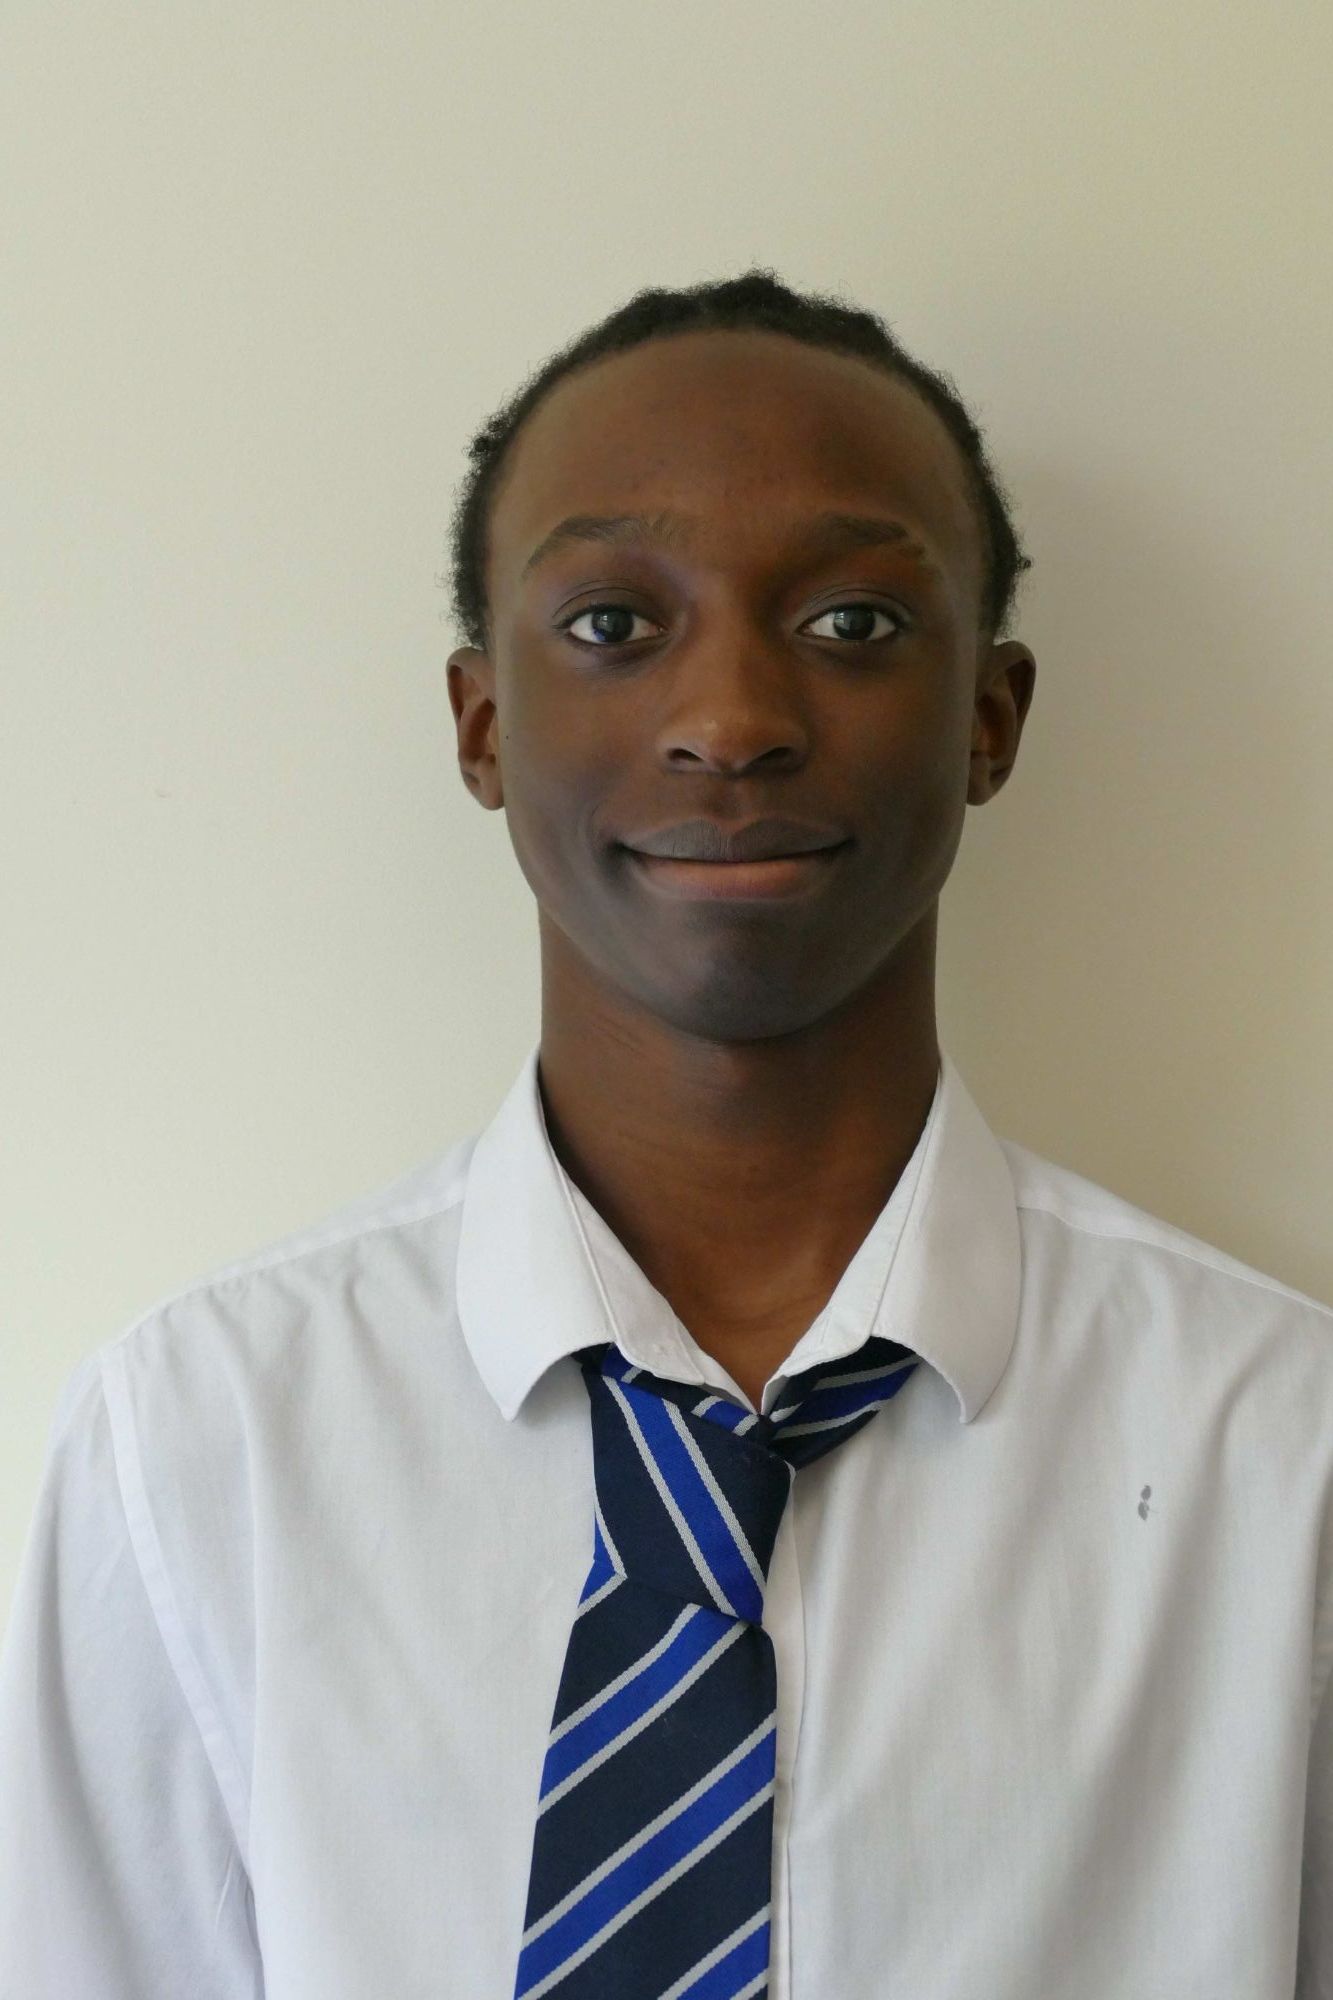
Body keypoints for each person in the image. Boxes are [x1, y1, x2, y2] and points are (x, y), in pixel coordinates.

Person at [1, 267, 1329, 1999]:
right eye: (615, 624)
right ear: (483, 725)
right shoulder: (198, 1449)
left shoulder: (1280, 1460)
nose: (733, 722)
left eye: (852, 621)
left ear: (989, 720)